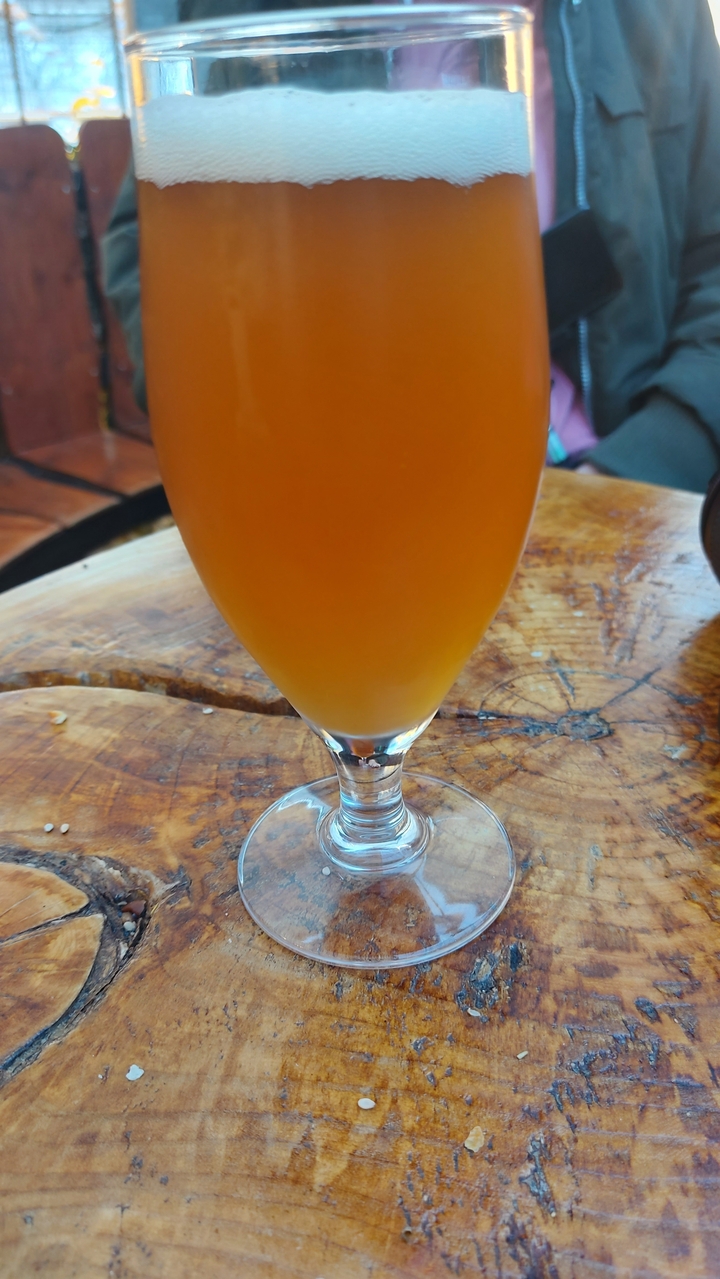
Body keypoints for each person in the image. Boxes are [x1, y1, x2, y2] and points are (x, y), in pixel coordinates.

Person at [103, 0, 720, 493]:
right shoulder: (246, 15)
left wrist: (657, 455)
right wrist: (255, 458)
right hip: (338, 504)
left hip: (618, 478)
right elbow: (151, 253)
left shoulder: (663, 14)